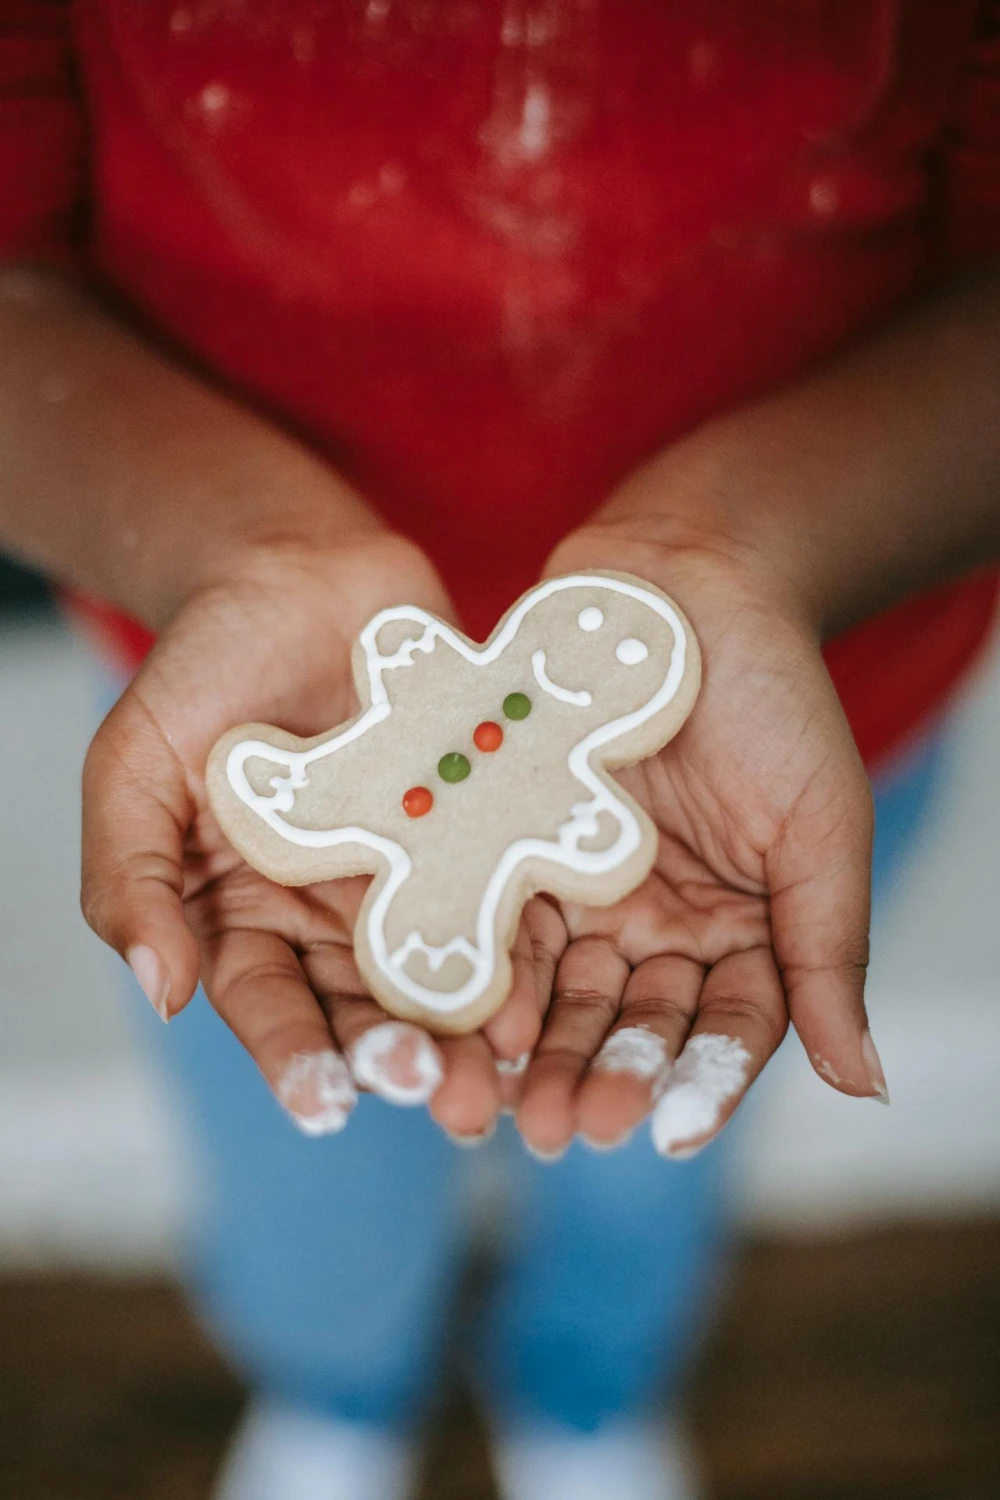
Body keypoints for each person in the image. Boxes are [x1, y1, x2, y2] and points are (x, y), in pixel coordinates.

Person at [1, 3, 998, 1497]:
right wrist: (242, 551)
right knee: (306, 1171)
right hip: (246, 700)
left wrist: (748, 549)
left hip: (789, 743)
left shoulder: (607, 815)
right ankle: (337, 1389)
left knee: (648, 1152)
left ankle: (588, 1391)